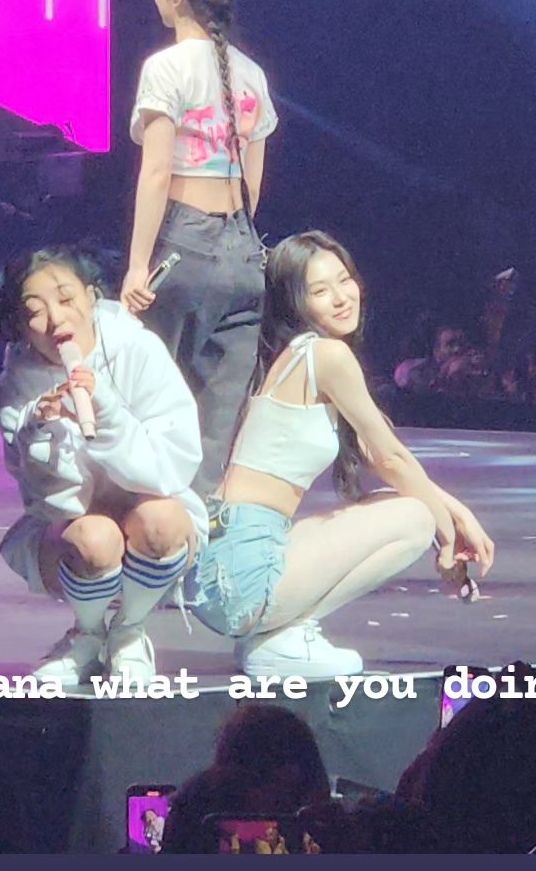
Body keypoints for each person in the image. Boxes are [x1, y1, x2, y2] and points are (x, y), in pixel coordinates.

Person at [188, 230, 494, 681]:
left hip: (227, 561)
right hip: (242, 572)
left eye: (344, 280)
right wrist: (451, 533)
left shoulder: (297, 355)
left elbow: (384, 456)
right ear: (296, 302)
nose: (340, 297)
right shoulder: (326, 355)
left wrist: (453, 514)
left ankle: (275, 636)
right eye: (319, 290)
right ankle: (282, 637)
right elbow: (390, 458)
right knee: (414, 518)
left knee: (404, 504)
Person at [0, 245, 207, 688]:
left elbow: (170, 469)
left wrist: (105, 414)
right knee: (94, 539)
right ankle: (86, 635)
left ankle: (130, 631)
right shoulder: (15, 389)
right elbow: (55, 504)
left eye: (66, 299)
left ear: (91, 297)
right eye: (35, 312)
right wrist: (42, 431)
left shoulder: (139, 350)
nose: (56, 320)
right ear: (19, 326)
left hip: (152, 505)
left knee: (161, 521)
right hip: (72, 524)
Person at [121, 0, 277, 498]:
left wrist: (138, 265)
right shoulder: (251, 73)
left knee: (151, 398)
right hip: (242, 250)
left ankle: (150, 530)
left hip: (182, 243)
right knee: (219, 419)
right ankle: (203, 528)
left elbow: (156, 173)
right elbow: (253, 181)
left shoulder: (165, 67)